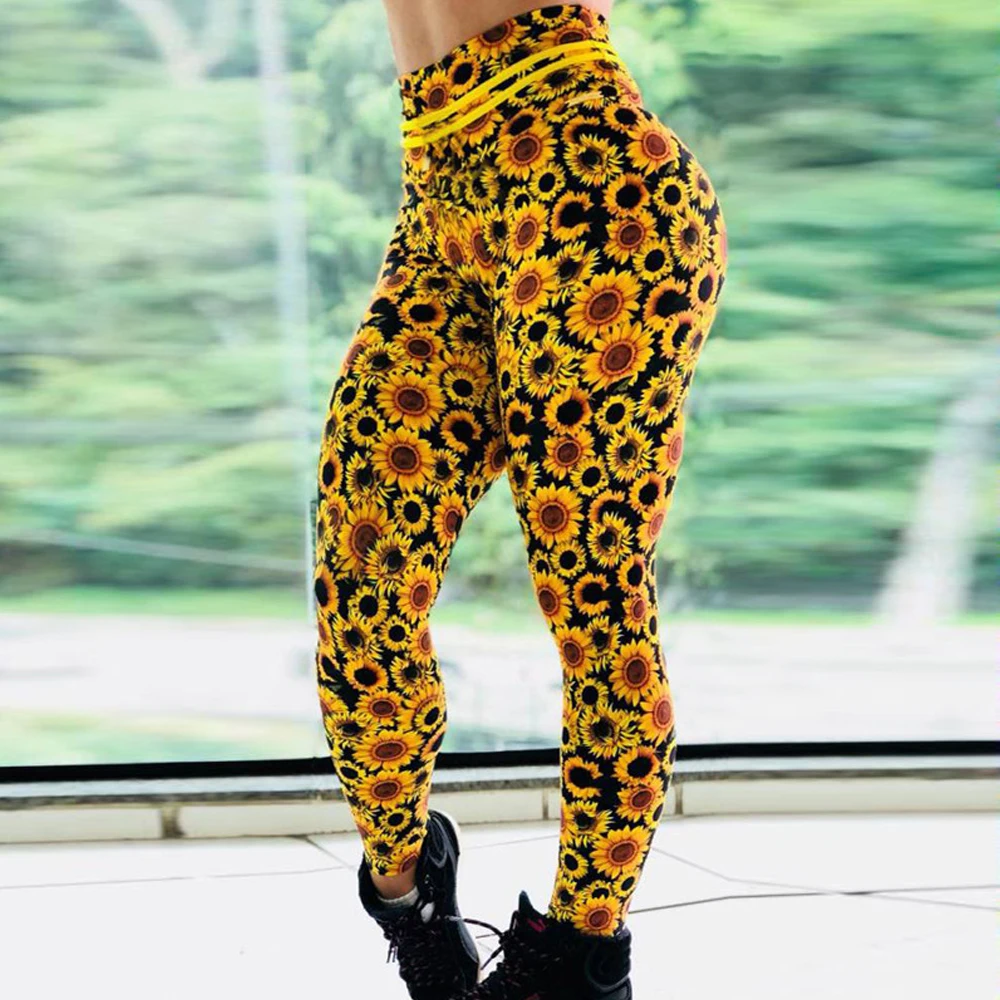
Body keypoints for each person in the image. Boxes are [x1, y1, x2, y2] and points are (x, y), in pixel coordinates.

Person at [312, 2, 728, 997]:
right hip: (439, 205)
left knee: (591, 595)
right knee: (360, 586)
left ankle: (575, 955)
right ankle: (408, 893)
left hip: (594, 189)